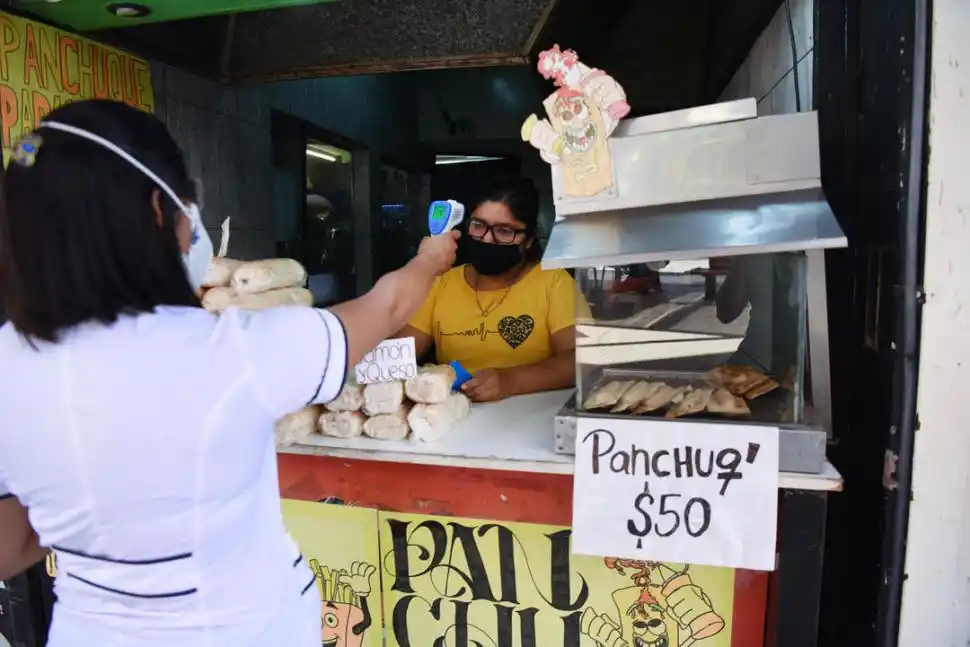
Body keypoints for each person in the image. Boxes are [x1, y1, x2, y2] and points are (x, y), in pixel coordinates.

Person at [0, 99, 457, 647]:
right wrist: (430, 259)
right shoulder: (233, 351)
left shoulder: (9, 361)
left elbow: (11, 546)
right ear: (154, 210)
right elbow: (384, 308)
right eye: (186, 204)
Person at [397, 177, 588, 402]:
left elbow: (580, 361)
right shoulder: (441, 282)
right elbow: (400, 356)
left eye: (504, 231)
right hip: (451, 418)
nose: (487, 239)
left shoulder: (554, 282)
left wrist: (510, 381)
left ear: (528, 239)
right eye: (478, 225)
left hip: (527, 421)